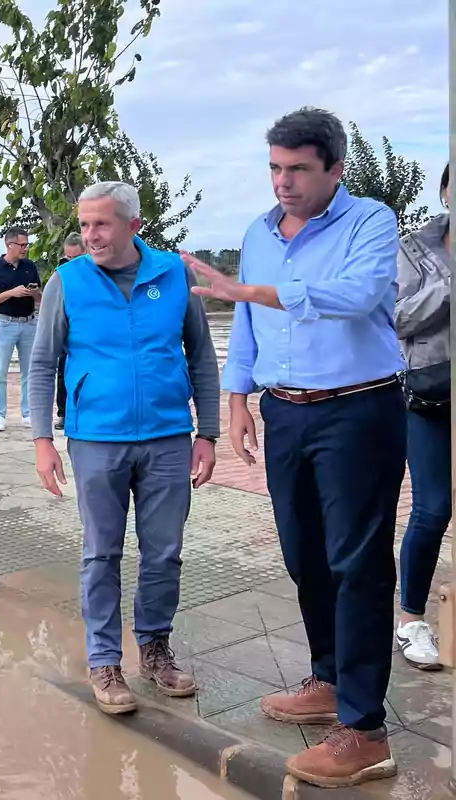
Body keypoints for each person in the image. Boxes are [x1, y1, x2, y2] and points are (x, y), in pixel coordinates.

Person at [186, 107, 405, 789]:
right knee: (305, 554)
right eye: (275, 168)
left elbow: (358, 294)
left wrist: (248, 289)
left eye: (298, 169)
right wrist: (238, 400)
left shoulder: (371, 221)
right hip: (286, 413)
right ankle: (331, 677)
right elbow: (247, 324)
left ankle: (365, 731)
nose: (283, 182)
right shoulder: (258, 230)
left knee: (357, 562)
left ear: (334, 169)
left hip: (359, 410)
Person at [30, 181, 220, 715]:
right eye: (84, 224)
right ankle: (104, 659)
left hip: (166, 438)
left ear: (134, 226)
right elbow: (43, 364)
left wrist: (207, 432)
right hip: (95, 439)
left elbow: (202, 358)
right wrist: (43, 440)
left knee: (163, 552)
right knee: (101, 553)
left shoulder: (173, 275)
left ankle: (155, 648)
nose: (89, 235)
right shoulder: (66, 282)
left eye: (101, 224)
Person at [394, 164, 452, 671]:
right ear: (445, 191)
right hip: (431, 395)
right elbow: (397, 317)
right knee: (434, 509)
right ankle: (411, 620)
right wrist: (449, 285)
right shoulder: (414, 248)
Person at [0, 227, 42, 431]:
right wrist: (11, 293)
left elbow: (40, 297)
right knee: (0, 371)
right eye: (22, 245)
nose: (25, 248)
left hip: (29, 323)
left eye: (27, 244)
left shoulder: (30, 267)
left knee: (30, 372)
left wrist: (34, 294)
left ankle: (28, 413)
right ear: (10, 245)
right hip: (4, 324)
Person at [54, 233, 87, 430]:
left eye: (76, 258)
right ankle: (63, 413)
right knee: (62, 371)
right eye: (68, 258)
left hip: (89, 332)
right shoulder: (62, 274)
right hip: (67, 330)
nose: (71, 262)